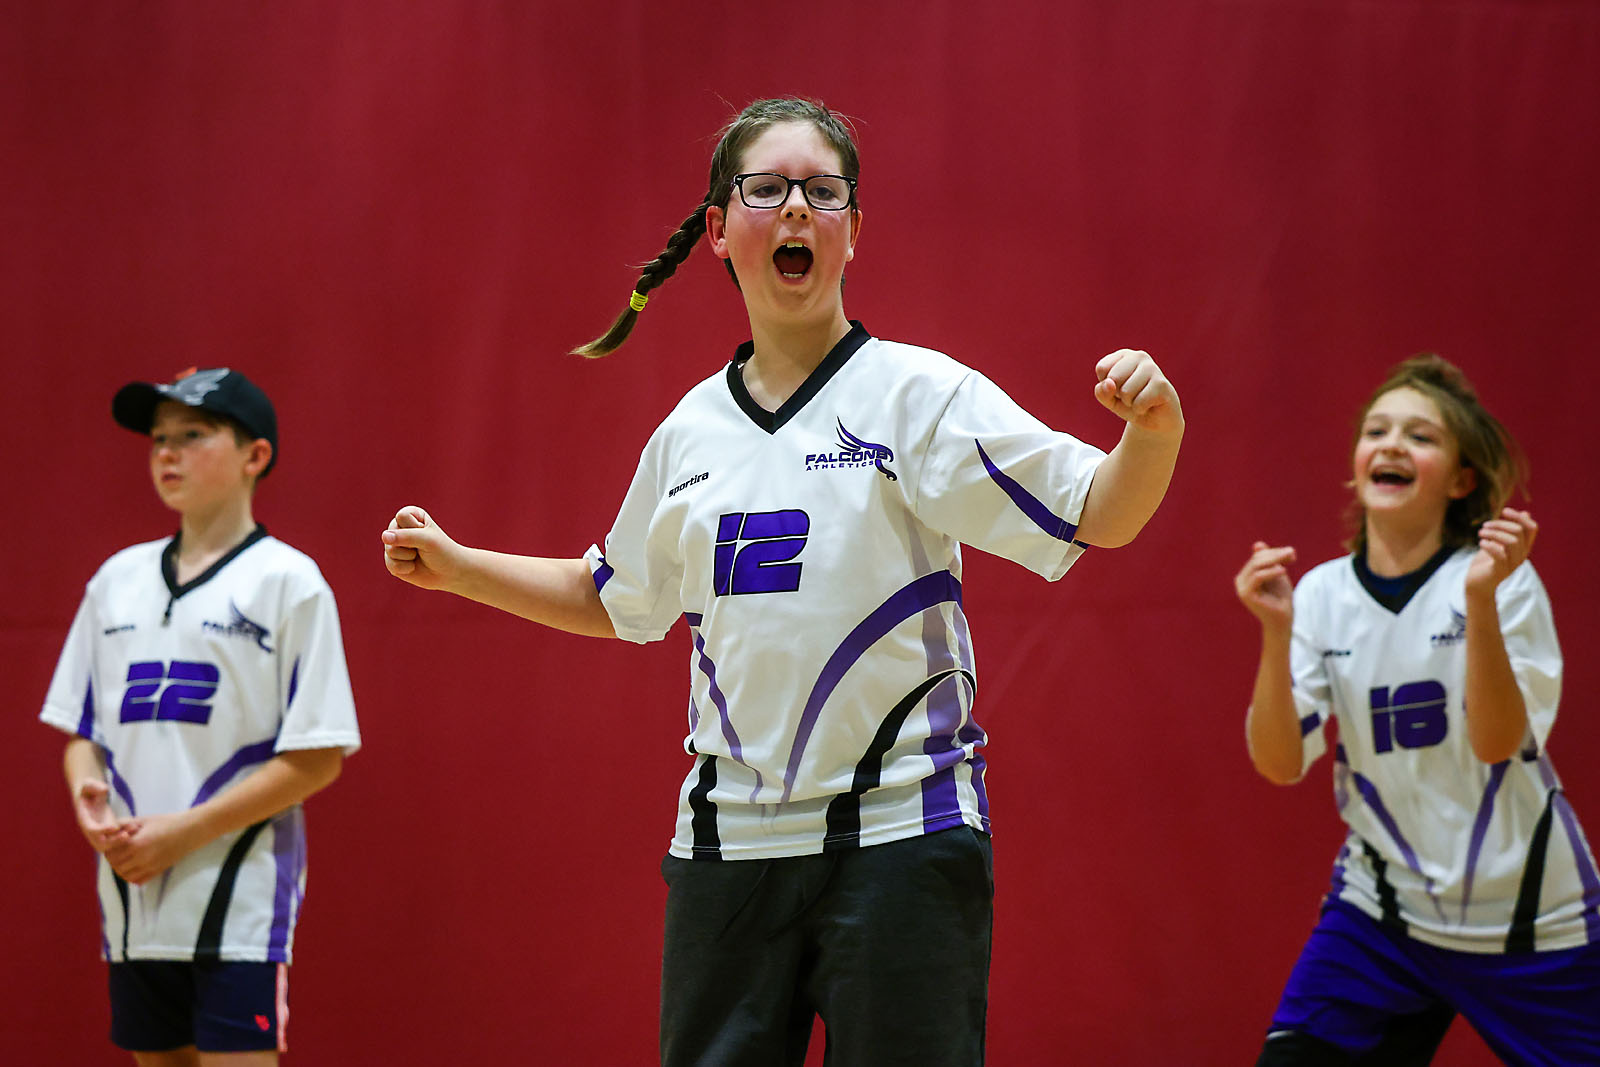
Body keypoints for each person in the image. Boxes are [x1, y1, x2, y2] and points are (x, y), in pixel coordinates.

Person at [382, 96, 1182, 1066]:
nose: (796, 208)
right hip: (727, 854)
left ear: (854, 230)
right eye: (766, 189)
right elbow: (614, 595)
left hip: (904, 836)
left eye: (822, 191)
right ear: (718, 230)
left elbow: (1098, 510)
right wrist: (460, 566)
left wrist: (1153, 433)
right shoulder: (687, 434)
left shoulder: (915, 395)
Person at [1234, 354, 1600, 1066]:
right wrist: (1275, 637)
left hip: (1531, 920)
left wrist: (1482, 604)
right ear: (1358, 462)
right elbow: (1279, 763)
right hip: (1386, 912)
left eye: (1421, 435)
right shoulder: (1320, 594)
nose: (1394, 444)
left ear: (1462, 480)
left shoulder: (1499, 584)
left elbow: (1497, 743)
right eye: (1378, 430)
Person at [41, 368, 361, 1067]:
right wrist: (87, 798)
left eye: (193, 434)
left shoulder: (290, 581)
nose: (167, 452)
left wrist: (179, 835)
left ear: (256, 456)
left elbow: (318, 756)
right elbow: (82, 736)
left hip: (235, 903)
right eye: (158, 438)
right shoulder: (115, 579)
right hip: (131, 897)